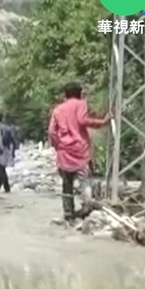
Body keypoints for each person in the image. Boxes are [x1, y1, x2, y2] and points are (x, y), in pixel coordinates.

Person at [48, 82, 111, 222]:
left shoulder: (58, 110)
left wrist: (58, 145)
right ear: (79, 93)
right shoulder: (81, 104)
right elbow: (82, 120)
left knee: (67, 184)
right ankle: (86, 209)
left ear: (65, 95)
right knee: (85, 182)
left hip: (64, 151)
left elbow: (52, 131)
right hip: (80, 150)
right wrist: (102, 122)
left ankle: (68, 213)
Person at [0, 112, 19, 193]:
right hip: (5, 149)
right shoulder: (7, 128)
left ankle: (2, 187)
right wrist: (14, 150)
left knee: (0, 169)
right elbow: (12, 140)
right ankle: (5, 187)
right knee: (2, 168)